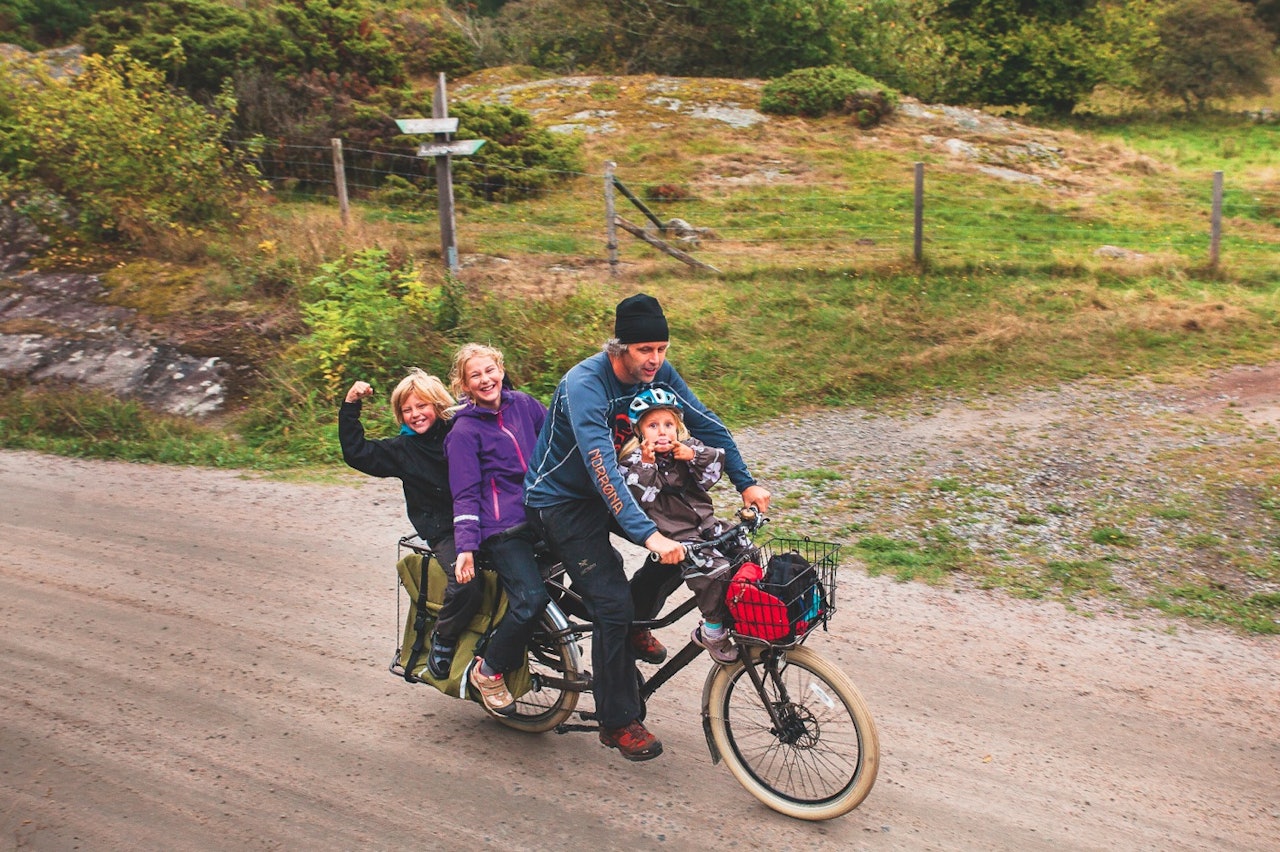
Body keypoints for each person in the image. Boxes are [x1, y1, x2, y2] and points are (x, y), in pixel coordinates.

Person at [524, 293, 770, 761]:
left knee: (692, 542)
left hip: (618, 488)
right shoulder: (585, 384)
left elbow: (705, 423)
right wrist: (648, 534)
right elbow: (601, 464)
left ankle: (636, 623)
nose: (655, 358)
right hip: (562, 500)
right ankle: (617, 721)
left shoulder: (657, 375)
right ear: (620, 347)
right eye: (644, 350)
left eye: (661, 348)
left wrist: (746, 482)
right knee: (611, 604)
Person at [339, 369, 481, 680]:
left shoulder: (458, 431)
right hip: (444, 529)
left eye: (421, 405)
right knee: (466, 582)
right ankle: (443, 639)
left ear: (437, 404)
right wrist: (351, 404)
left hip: (479, 516)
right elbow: (356, 452)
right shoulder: (402, 450)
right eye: (407, 409)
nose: (415, 414)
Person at [444, 343, 550, 716]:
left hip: (542, 514)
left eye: (490, 370)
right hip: (503, 528)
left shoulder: (524, 404)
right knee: (531, 600)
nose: (486, 379)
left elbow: (556, 443)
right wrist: (466, 548)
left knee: (600, 566)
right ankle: (488, 670)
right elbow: (465, 494)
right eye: (475, 375)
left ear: (501, 370)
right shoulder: (463, 432)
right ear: (464, 384)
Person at [617, 387, 740, 665]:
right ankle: (712, 630)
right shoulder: (632, 461)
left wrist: (692, 455)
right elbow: (641, 500)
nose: (662, 432)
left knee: (744, 550)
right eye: (653, 426)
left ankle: (743, 614)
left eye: (668, 424)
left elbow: (713, 472)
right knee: (714, 571)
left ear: (678, 427)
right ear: (639, 432)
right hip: (676, 534)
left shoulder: (687, 447)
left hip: (706, 524)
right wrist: (648, 465)